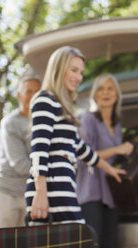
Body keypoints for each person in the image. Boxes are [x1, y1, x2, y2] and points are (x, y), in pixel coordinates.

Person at [25, 46, 127, 225]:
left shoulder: (62, 106)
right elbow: (39, 148)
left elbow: (80, 148)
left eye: (80, 72)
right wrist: (40, 192)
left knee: (76, 238)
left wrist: (108, 168)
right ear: (58, 69)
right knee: (80, 237)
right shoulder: (45, 99)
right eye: (74, 70)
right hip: (51, 188)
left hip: (64, 186)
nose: (79, 77)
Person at [76, 73, 134, 248]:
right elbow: (84, 155)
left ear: (116, 94)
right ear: (95, 95)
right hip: (90, 192)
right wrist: (118, 148)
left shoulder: (116, 125)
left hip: (111, 193)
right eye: (100, 89)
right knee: (93, 243)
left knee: (110, 243)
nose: (105, 93)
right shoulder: (88, 119)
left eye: (110, 88)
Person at [0, 75, 41, 229]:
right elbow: (20, 164)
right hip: (5, 192)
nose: (33, 96)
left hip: (29, 192)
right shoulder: (10, 123)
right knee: (4, 241)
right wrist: (49, 171)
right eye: (29, 91)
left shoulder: (42, 121)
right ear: (19, 95)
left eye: (37, 92)